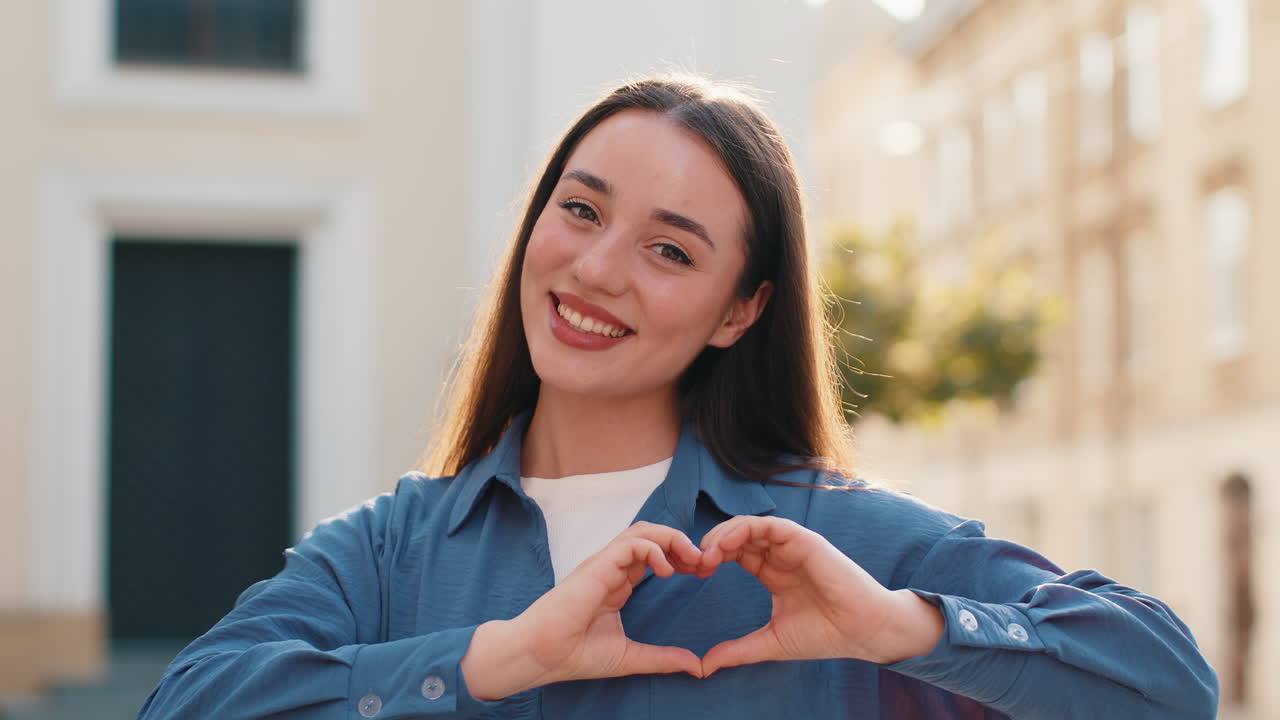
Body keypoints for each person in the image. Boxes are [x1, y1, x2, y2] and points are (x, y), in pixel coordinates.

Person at [138, 74, 1218, 719]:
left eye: (667, 249)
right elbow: (187, 703)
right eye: (579, 210)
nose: (598, 269)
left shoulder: (838, 543)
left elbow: (1167, 684)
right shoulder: (387, 551)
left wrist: (896, 626)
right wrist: (500, 657)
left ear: (737, 310)